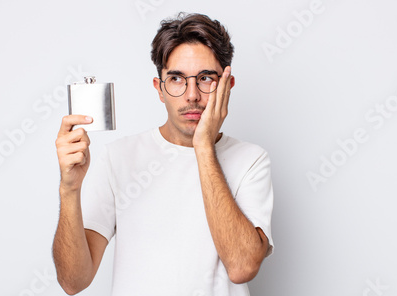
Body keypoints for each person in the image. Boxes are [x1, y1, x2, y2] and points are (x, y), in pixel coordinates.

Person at [52, 12, 274, 296]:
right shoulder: (118, 158)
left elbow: (242, 267)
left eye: (206, 78)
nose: (192, 95)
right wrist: (69, 189)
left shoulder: (251, 160)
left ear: (227, 86)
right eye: (177, 79)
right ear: (160, 89)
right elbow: (73, 282)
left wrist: (203, 146)